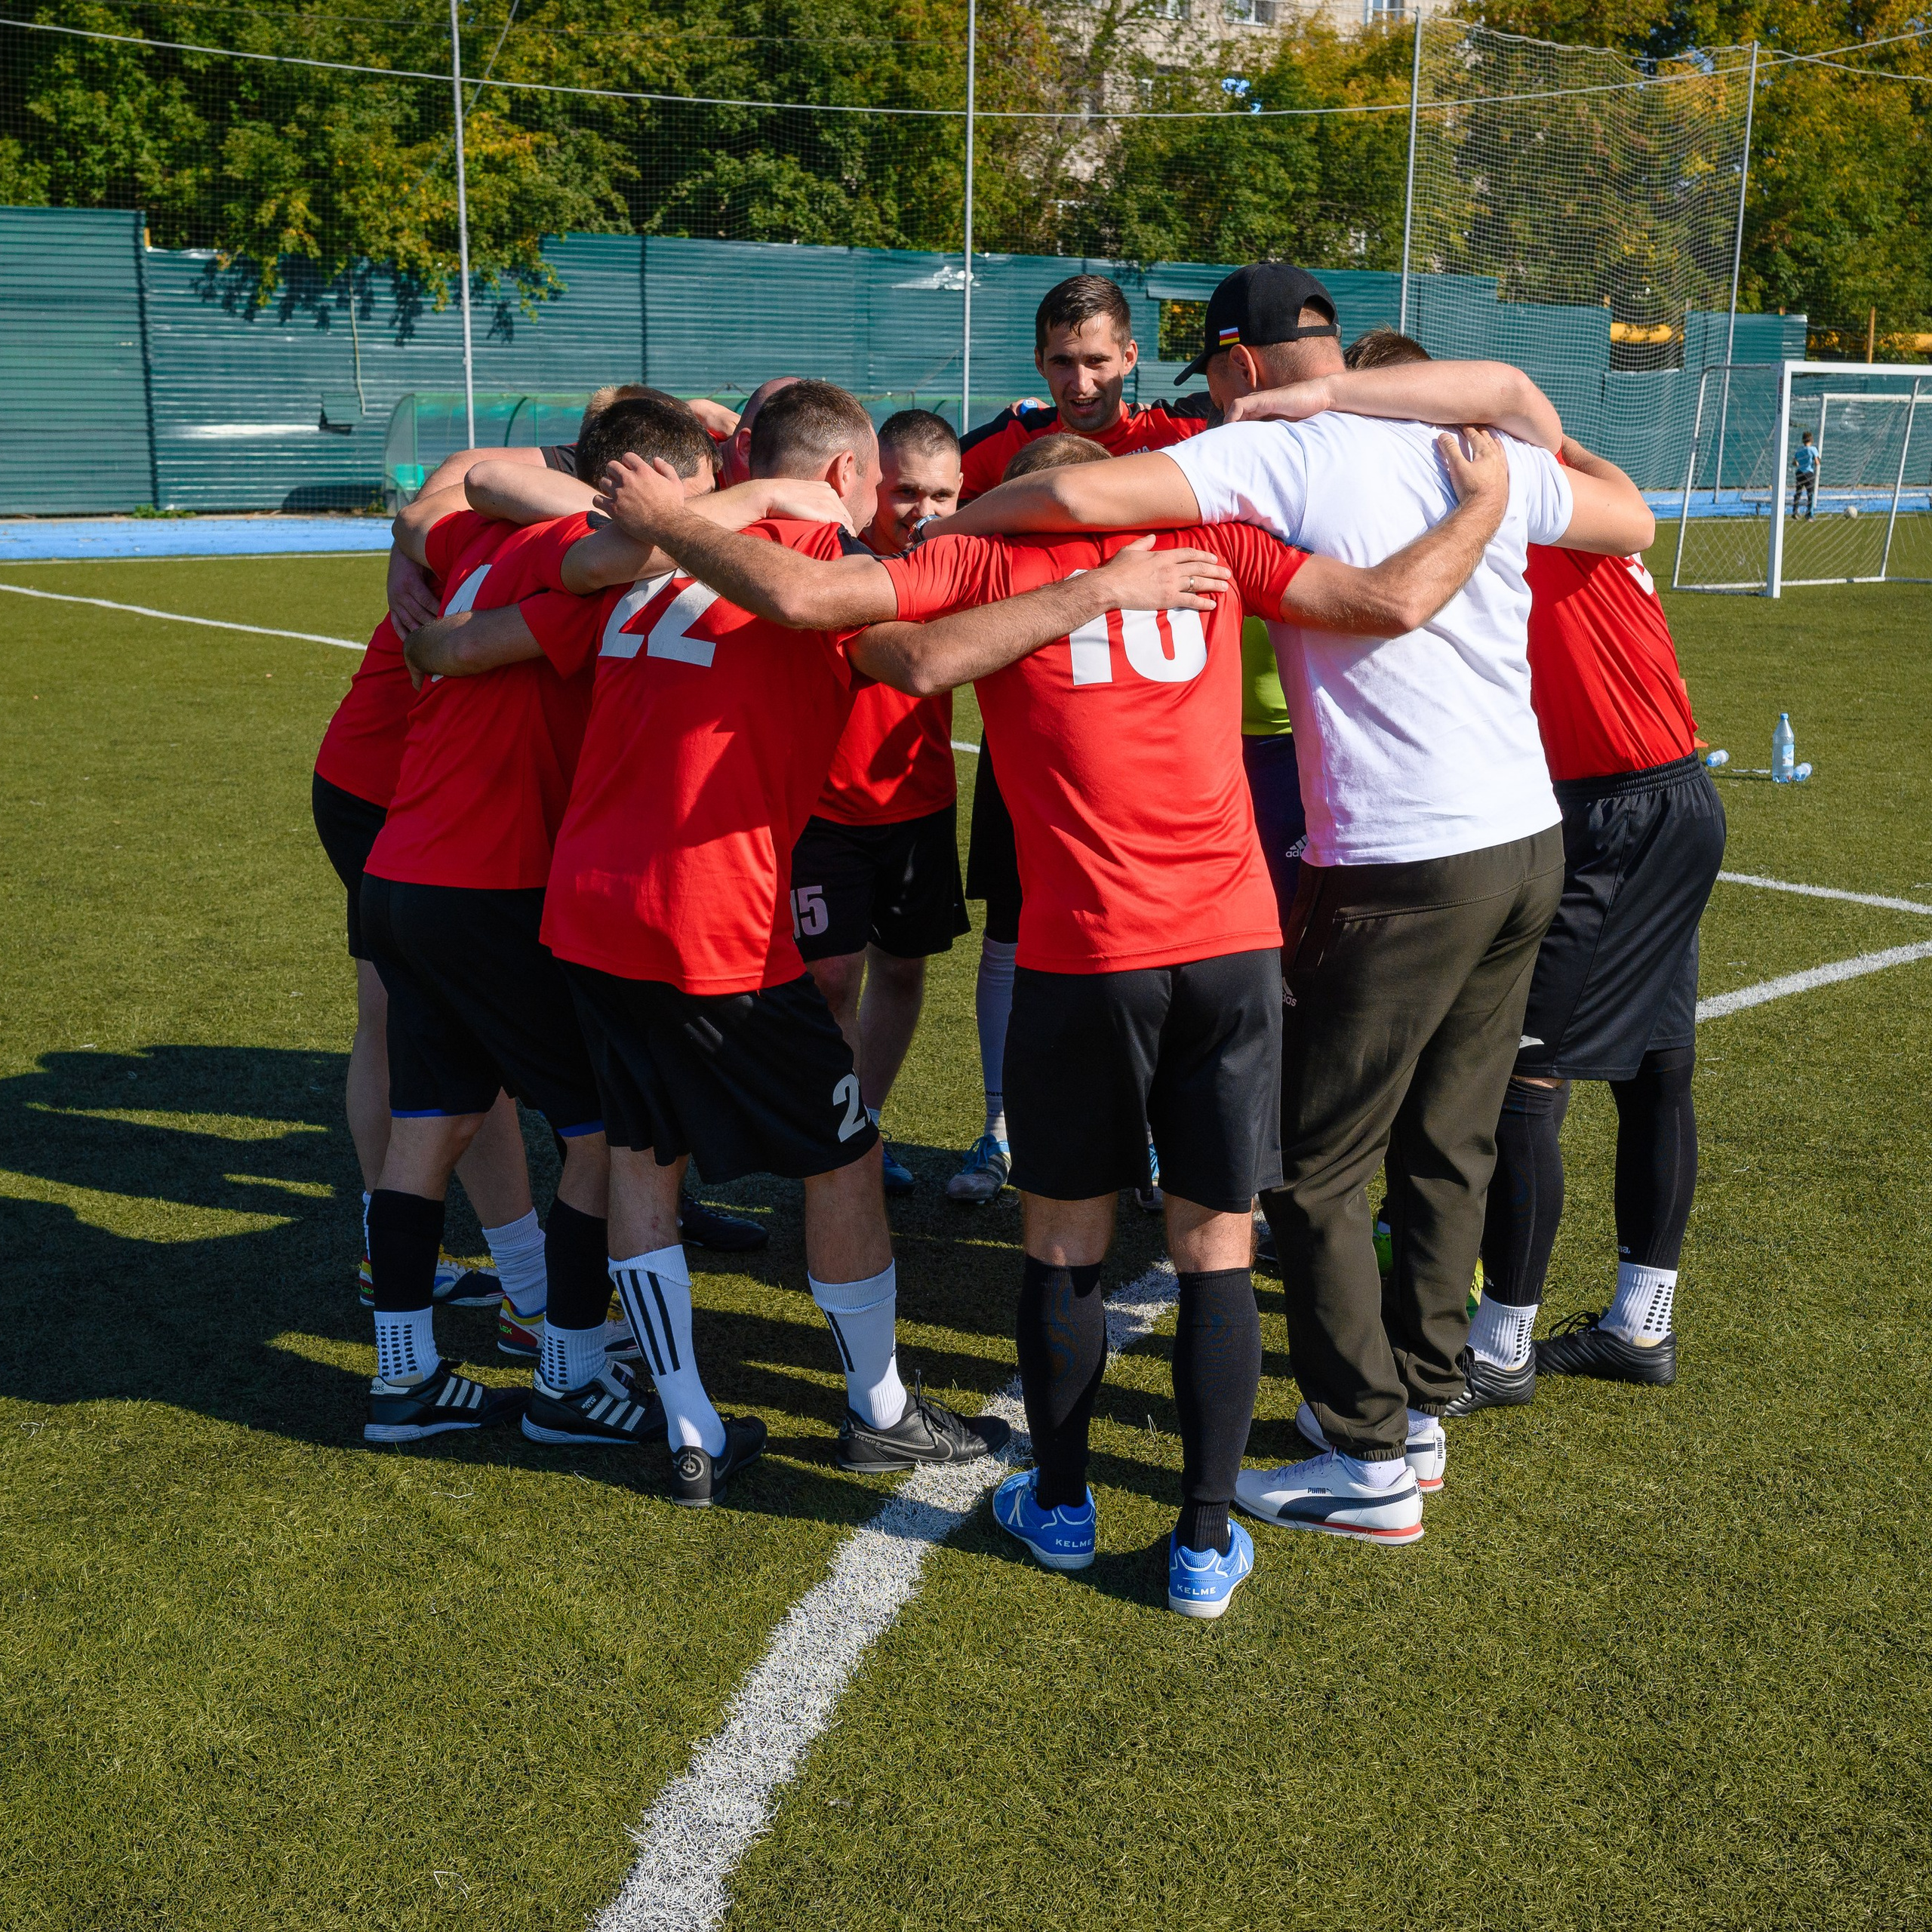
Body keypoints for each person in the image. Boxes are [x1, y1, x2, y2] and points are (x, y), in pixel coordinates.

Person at [587, 402, 1513, 1614]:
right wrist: (1483, 507)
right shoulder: (1212, 542)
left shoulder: (988, 554)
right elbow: (1393, 601)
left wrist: (664, 517)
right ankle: (1200, 1545)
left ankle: (1064, 1509)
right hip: (1233, 948)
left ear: (1025, 497)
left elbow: (851, 630)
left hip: (1087, 954)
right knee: (1215, 1248)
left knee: (1067, 1242)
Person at [943, 262, 1657, 1546]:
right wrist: (1503, 452)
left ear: (1240, 367)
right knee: (1452, 1141)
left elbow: (1073, 490)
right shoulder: (1463, 445)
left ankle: (1366, 1457)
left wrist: (950, 530)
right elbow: (1630, 521)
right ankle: (1419, 1412)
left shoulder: (1269, 454)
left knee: (1320, 1169)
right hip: (1526, 838)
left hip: (1399, 855)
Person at [446, 381, 1203, 1501]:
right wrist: (1097, 589)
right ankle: (879, 1409)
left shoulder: (647, 569)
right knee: (843, 1157)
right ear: (846, 478)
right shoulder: (806, 567)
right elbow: (925, 660)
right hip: (711, 923)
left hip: (590, 907)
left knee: (641, 1155)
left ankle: (691, 1423)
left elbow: (482, 542)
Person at [1343, 331, 1727, 1408]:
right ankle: (1638, 1323)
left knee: (1524, 1082)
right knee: (1658, 1070)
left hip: (1617, 814)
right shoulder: (1562, 475)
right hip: (1670, 800)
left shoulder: (1495, 486)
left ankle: (1499, 1346)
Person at [312, 601, 534, 1314]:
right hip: (400, 785)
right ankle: (532, 1290)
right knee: (452, 1030)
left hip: (400, 779)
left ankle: (397, 1256)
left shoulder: (497, 517)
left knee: (400, 1018)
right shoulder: (548, 528)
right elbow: (450, 497)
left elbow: (432, 512)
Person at [789, 408, 970, 1193]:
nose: (923, 510)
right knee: (830, 980)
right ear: (867, 481)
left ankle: (864, 1125)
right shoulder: (827, 561)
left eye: (941, 494)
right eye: (904, 491)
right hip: (823, 810)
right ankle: (834, 1141)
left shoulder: (966, 560)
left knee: (901, 969)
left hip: (921, 804)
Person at [955, 275, 1214, 504]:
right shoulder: (1010, 438)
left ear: (1128, 358)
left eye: (1096, 361)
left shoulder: (1186, 429)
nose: (1081, 384)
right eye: (1062, 362)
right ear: (1040, 363)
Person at [1793, 430, 1819, 519]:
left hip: (1799, 473)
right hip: (1809, 473)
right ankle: (1809, 515)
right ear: (1811, 439)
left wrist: (1799, 463)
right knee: (1810, 494)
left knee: (1798, 493)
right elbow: (1817, 462)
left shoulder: (1799, 450)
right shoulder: (1813, 449)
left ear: (1803, 440)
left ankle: (1795, 512)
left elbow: (1794, 462)